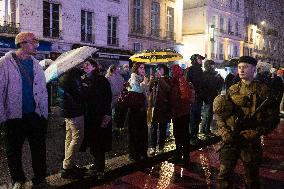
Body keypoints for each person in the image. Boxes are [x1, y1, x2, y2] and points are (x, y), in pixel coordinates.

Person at [213, 56, 280, 189]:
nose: (241, 70)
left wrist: (257, 132)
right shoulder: (232, 90)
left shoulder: (263, 91)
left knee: (251, 178)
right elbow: (221, 115)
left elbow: (273, 119)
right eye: (239, 67)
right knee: (223, 176)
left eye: (245, 67)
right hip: (231, 138)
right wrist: (224, 131)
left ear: (253, 69)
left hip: (250, 142)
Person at [0, 32, 48, 188]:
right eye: (33, 42)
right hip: (14, 116)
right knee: (14, 151)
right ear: (22, 43)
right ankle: (18, 180)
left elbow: (42, 91)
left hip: (35, 115)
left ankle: (40, 177)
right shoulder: (4, 63)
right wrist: (2, 116)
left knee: (39, 149)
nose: (36, 45)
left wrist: (44, 114)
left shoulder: (37, 65)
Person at [80, 58, 112, 180]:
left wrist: (107, 114)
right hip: (90, 116)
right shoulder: (85, 80)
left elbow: (107, 97)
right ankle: (97, 165)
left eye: (87, 64)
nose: (85, 66)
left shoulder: (101, 80)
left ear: (94, 67)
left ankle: (100, 170)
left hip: (100, 115)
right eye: (84, 65)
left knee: (99, 143)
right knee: (94, 143)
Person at [58, 68, 86, 179]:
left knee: (69, 138)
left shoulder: (63, 74)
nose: (83, 65)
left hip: (68, 111)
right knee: (77, 138)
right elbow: (80, 95)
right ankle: (67, 167)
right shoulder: (72, 76)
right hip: (75, 111)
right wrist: (85, 86)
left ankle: (69, 164)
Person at [170, 64, 195, 167]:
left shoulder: (179, 81)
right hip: (182, 112)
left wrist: (175, 103)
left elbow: (183, 97)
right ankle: (180, 155)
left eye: (172, 71)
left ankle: (184, 157)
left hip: (180, 112)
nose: (171, 73)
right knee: (180, 134)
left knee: (181, 135)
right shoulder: (179, 81)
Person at [127, 62, 148, 161]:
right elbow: (138, 90)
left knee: (142, 132)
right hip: (135, 110)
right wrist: (144, 83)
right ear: (136, 69)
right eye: (141, 68)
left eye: (144, 68)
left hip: (142, 109)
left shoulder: (141, 78)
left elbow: (146, 93)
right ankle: (135, 154)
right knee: (135, 132)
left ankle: (142, 152)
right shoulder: (134, 77)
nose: (143, 70)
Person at [148, 64, 171, 155]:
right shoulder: (155, 79)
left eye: (160, 69)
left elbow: (168, 89)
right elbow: (149, 89)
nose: (158, 70)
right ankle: (152, 147)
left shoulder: (167, 79)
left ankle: (161, 146)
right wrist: (152, 80)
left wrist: (160, 79)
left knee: (162, 128)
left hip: (163, 107)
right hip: (154, 106)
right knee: (153, 128)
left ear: (164, 70)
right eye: (157, 69)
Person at [185, 54, 206, 145]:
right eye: (199, 59)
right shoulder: (190, 70)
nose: (201, 61)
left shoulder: (200, 70)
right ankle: (192, 137)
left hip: (199, 97)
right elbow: (187, 84)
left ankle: (195, 136)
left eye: (201, 59)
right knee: (193, 118)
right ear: (194, 60)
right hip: (193, 98)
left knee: (197, 118)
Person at [201, 60, 223, 137]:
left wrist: (219, 79)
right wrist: (216, 79)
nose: (214, 66)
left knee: (208, 114)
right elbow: (209, 85)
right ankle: (205, 130)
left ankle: (204, 129)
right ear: (209, 66)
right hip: (208, 97)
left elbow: (219, 85)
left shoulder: (214, 74)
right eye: (212, 65)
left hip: (212, 95)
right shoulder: (205, 74)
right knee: (208, 114)